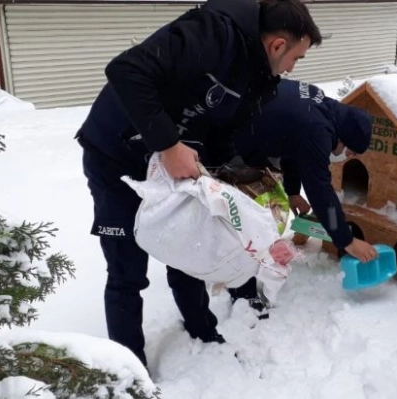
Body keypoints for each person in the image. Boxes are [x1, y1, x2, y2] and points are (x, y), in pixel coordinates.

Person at [75, 0, 322, 368]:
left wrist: (233, 186)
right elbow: (126, 70)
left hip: (175, 163)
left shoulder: (259, 79)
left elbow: (223, 132)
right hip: (118, 155)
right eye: (296, 58)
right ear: (276, 45)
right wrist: (169, 144)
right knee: (127, 270)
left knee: (190, 247)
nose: (291, 69)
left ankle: (202, 329)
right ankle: (129, 373)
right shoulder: (213, 33)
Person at [231, 79, 379, 266]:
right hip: (229, 136)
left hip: (242, 116)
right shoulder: (318, 131)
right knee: (245, 217)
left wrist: (293, 192)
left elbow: (291, 144)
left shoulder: (320, 107)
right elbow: (320, 190)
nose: (347, 157)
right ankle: (241, 285)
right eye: (350, 152)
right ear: (343, 139)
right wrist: (346, 240)